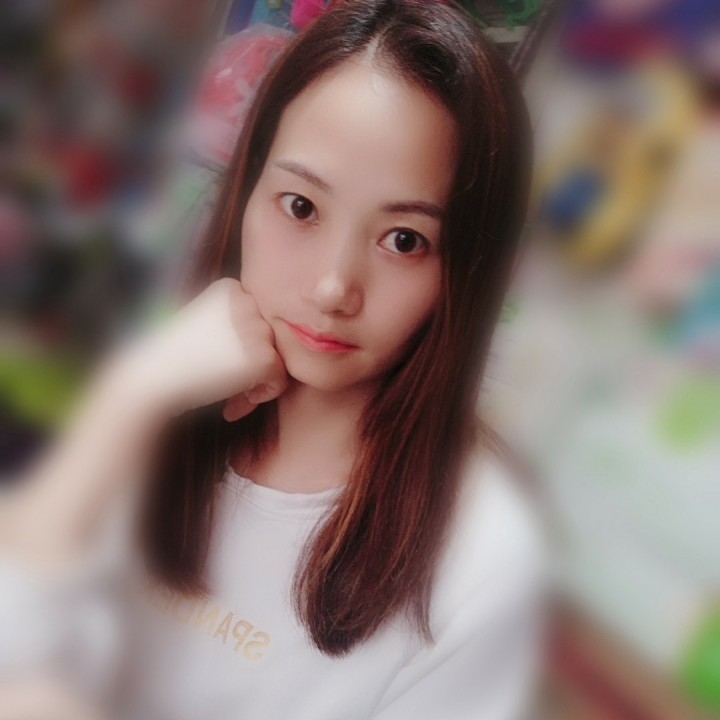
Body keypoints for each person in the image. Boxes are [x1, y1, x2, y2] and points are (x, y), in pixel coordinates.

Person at [0, 0, 550, 717]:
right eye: (301, 207)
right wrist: (127, 400)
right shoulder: (165, 395)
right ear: (247, 192)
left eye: (404, 241)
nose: (333, 287)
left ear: (465, 271)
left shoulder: (481, 556)